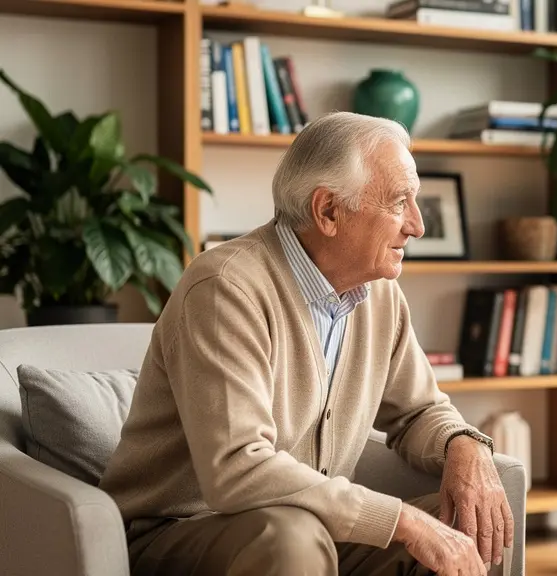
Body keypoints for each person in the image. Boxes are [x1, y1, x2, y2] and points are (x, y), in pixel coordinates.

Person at [99, 112, 512, 576]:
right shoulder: (226, 288)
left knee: (467, 523)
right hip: (179, 532)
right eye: (400, 203)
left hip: (310, 529)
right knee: (293, 535)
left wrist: (466, 446)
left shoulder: (380, 297)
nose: (416, 225)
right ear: (328, 211)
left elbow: (419, 410)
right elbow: (238, 468)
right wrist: (402, 521)